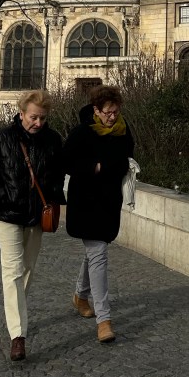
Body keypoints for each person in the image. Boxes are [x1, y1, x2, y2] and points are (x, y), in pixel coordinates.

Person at [0, 90, 64, 362]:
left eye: (43, 118)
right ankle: (18, 335)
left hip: (36, 215)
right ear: (21, 113)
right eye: (33, 117)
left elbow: (58, 173)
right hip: (7, 214)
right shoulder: (3, 137)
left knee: (27, 269)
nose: (38, 123)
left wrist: (52, 196)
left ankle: (16, 310)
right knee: (13, 270)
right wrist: (0, 195)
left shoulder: (53, 140)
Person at [62, 85, 133, 344]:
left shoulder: (123, 131)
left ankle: (80, 295)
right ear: (96, 110)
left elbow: (128, 157)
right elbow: (65, 162)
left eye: (116, 112)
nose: (112, 117)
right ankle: (104, 319)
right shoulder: (82, 132)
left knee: (95, 253)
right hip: (86, 203)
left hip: (109, 202)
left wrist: (116, 166)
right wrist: (95, 167)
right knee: (98, 254)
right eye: (108, 112)